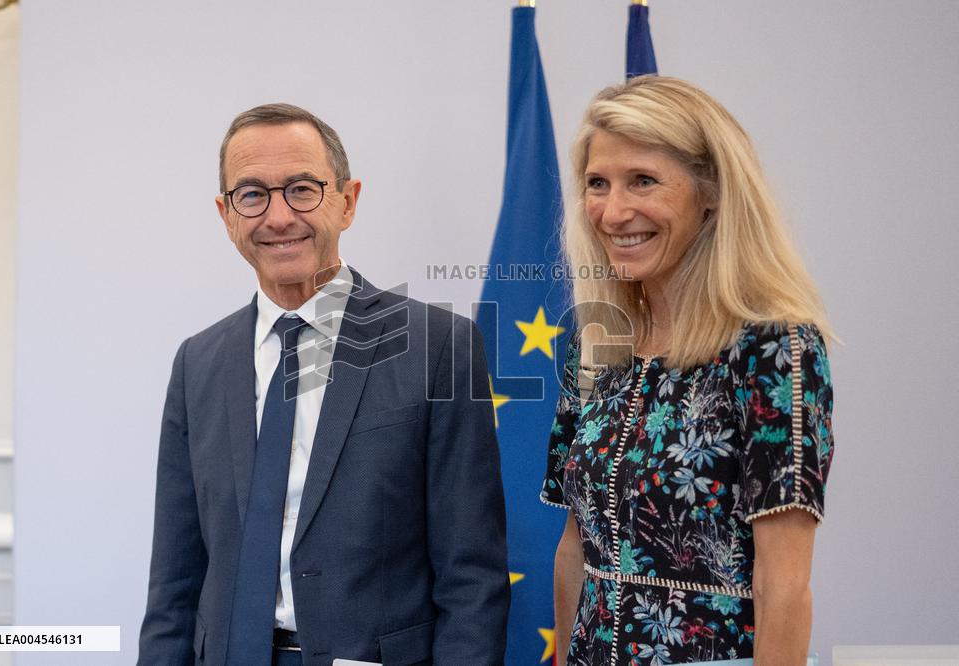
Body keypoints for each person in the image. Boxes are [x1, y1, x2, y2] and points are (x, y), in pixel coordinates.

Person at [138, 103, 509, 666]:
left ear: (348, 200)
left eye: (302, 189)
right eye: (252, 194)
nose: (279, 216)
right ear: (226, 214)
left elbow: (472, 577)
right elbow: (174, 579)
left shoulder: (439, 347)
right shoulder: (198, 363)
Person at [542, 77, 834, 665]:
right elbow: (576, 548)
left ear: (712, 192)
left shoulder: (775, 347)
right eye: (597, 184)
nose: (613, 210)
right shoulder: (597, 343)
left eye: (643, 181)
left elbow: (784, 587)